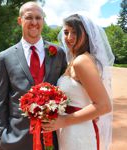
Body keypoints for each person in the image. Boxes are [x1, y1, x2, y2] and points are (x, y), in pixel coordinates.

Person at [0, 2, 67, 150]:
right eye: (29, 17)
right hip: (15, 137)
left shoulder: (58, 53)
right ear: (20, 20)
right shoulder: (5, 57)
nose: (34, 22)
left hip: (51, 136)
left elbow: (66, 89)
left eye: (38, 18)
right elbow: (1, 100)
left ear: (43, 21)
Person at [42, 14, 115, 150]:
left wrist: (64, 120)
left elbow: (104, 105)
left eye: (75, 32)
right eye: (66, 32)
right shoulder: (76, 60)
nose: (69, 37)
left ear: (86, 34)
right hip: (71, 129)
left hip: (78, 133)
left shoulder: (82, 61)